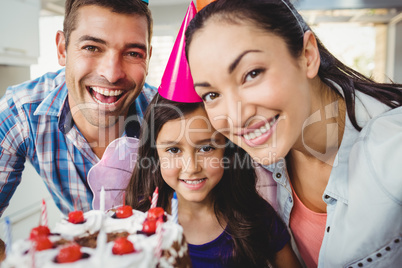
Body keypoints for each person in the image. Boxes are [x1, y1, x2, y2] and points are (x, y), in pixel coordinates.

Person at [184, 0, 402, 267]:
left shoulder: (393, 146)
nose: (236, 117)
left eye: (252, 74)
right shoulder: (252, 160)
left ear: (307, 55)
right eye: (212, 94)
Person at [0, 0, 156, 216]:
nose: (111, 74)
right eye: (91, 48)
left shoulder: (166, 114)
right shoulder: (21, 113)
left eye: (132, 53)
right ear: (63, 49)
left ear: (147, 57)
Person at [125, 94, 301, 267]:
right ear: (155, 155)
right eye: (173, 150)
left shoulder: (256, 218)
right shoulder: (136, 223)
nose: (192, 167)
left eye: (206, 148)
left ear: (228, 151)